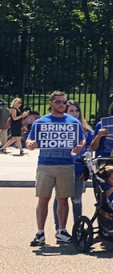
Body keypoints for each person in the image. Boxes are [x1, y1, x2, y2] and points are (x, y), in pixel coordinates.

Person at [25, 92, 86, 246]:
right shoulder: (41, 122)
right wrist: (30, 144)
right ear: (51, 102)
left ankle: (61, 230)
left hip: (66, 163)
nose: (61, 105)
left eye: (64, 102)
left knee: (63, 199)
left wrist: (81, 145)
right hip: (45, 164)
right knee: (43, 199)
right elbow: (30, 138)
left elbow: (81, 138)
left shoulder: (73, 122)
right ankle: (40, 232)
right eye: (58, 102)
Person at [54, 100, 95, 233]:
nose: (75, 113)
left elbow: (90, 151)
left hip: (79, 168)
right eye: (71, 110)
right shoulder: (60, 127)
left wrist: (87, 169)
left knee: (77, 199)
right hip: (63, 166)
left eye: (77, 110)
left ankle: (77, 228)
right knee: (60, 198)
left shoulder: (86, 130)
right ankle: (60, 228)